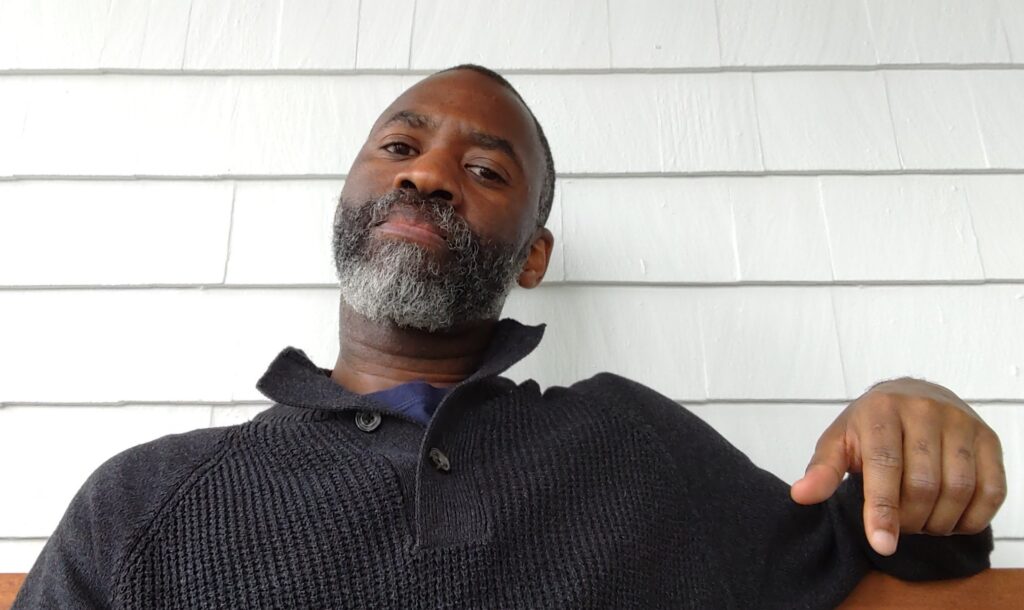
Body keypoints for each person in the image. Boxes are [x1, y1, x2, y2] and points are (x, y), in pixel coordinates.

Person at [14, 65, 1006, 609]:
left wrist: (920, 414)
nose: (427, 174)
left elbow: (895, 567)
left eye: (484, 171)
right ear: (351, 197)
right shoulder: (144, 499)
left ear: (532, 258)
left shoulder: (635, 446)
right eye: (399, 148)